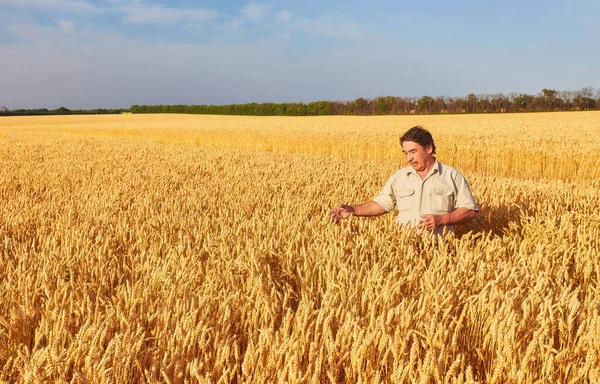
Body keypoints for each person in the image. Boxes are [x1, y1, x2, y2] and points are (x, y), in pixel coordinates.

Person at [329, 126, 478, 236]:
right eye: (405, 153)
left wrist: (443, 219)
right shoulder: (399, 177)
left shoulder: (451, 176)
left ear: (429, 148)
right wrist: (353, 210)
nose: (409, 158)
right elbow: (381, 204)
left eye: (413, 152)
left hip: (440, 250)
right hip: (403, 249)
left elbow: (469, 210)